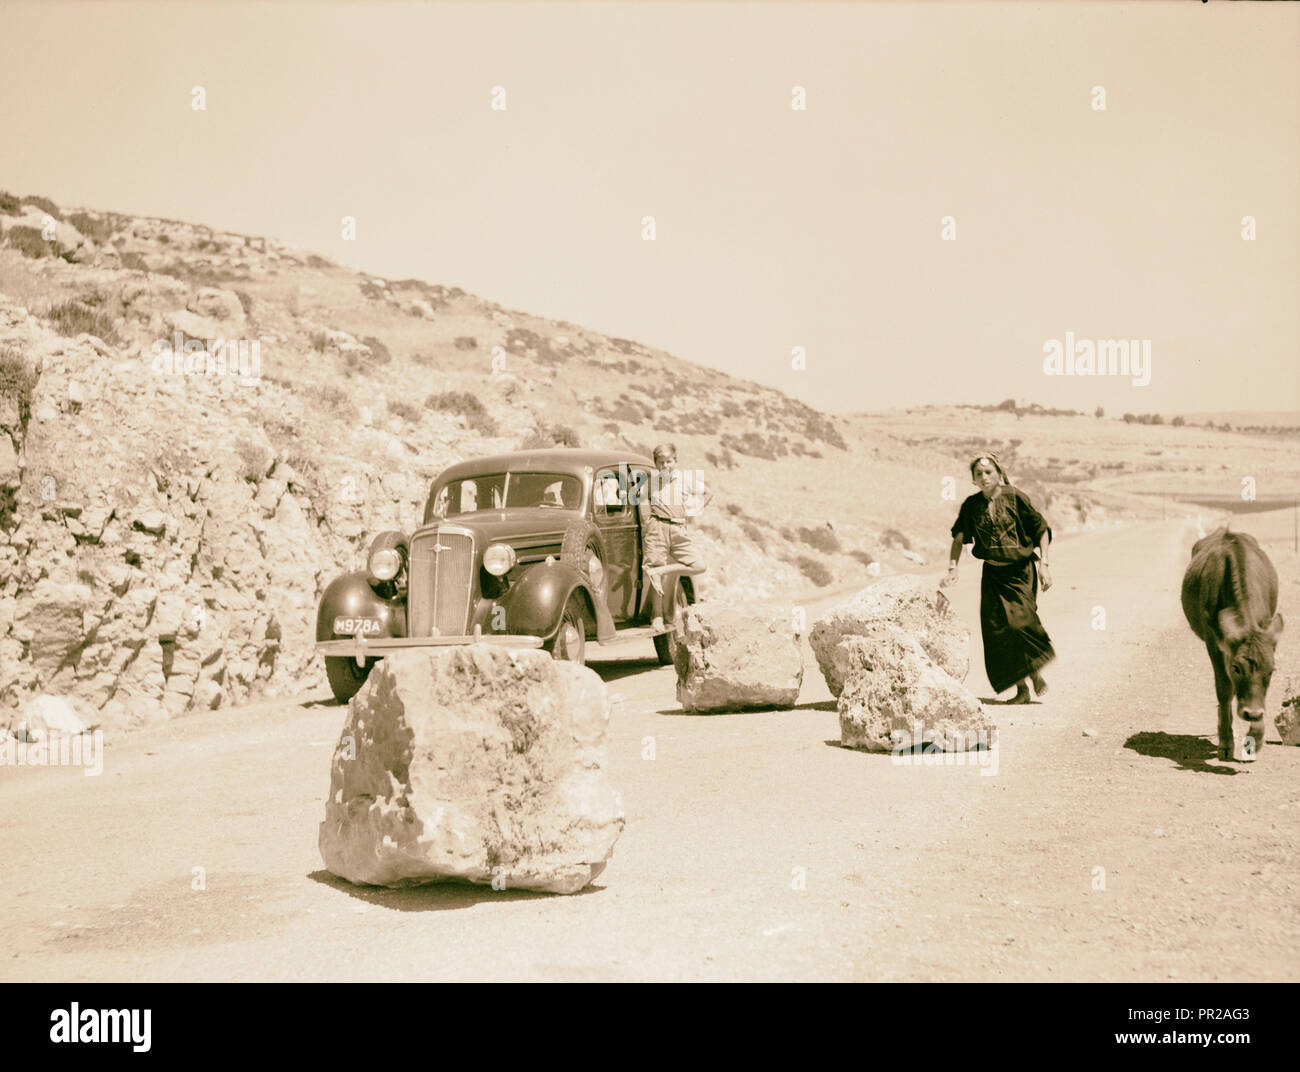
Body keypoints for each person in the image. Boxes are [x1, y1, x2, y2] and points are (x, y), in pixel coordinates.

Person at [940, 452, 1055, 703]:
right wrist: (952, 568)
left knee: (1019, 623)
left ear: (999, 473)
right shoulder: (971, 506)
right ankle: (1022, 689)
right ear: (973, 479)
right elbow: (959, 537)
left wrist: (1044, 565)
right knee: (999, 633)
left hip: (1020, 572)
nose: (984, 477)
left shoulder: (1015, 497)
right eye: (978, 474)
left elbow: (1041, 529)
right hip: (992, 574)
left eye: (988, 472)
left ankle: (1034, 671)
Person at [638, 442, 712, 632]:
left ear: (676, 461)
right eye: (661, 462)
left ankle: (663, 571)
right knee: (654, 568)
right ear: (656, 464)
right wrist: (647, 520)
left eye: (669, 462)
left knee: (698, 566)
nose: (665, 466)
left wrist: (693, 510)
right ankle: (657, 616)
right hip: (657, 528)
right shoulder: (651, 482)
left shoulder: (686, 479)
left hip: (679, 528)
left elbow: (708, 493)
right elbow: (641, 497)